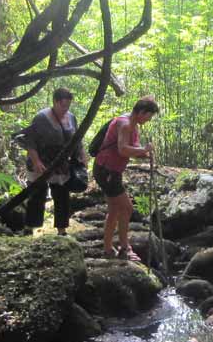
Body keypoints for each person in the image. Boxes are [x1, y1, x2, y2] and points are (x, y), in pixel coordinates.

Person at [93, 96, 159, 261]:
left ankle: (108, 249)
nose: (149, 120)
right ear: (141, 112)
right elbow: (122, 149)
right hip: (107, 171)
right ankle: (125, 248)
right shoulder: (125, 125)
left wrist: (144, 154)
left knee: (114, 210)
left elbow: (131, 150)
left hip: (108, 170)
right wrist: (144, 148)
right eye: (149, 116)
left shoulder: (132, 124)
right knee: (127, 208)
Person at [23, 87, 87, 236]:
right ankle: (30, 227)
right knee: (37, 195)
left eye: (68, 106)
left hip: (61, 165)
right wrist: (36, 161)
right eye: (63, 106)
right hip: (42, 163)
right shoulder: (41, 118)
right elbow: (30, 141)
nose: (66, 109)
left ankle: (62, 229)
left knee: (62, 195)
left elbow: (76, 139)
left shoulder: (71, 117)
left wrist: (82, 155)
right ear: (55, 102)